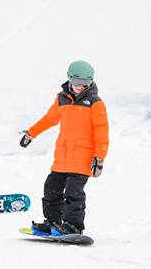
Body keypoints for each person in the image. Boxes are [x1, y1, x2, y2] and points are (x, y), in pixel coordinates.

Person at [19, 60, 109, 235]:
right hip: (62, 157)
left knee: (74, 193)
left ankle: (73, 226)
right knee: (51, 187)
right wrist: (31, 133)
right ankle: (53, 222)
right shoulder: (62, 99)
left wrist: (99, 158)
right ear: (69, 80)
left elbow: (102, 132)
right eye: (76, 83)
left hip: (83, 159)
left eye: (85, 84)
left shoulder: (95, 103)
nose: (80, 87)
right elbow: (49, 119)